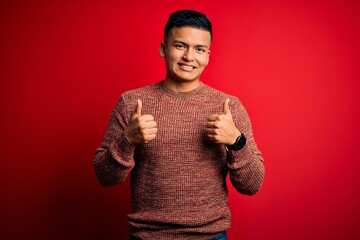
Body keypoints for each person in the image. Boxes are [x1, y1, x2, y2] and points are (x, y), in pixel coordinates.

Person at [94, 10, 265, 240]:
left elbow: (252, 185)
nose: (189, 57)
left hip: (211, 236)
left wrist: (236, 141)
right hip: (148, 237)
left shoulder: (229, 107)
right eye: (180, 46)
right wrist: (128, 141)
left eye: (199, 49)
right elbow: (105, 177)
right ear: (164, 49)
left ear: (208, 55)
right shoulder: (131, 103)